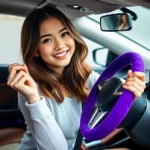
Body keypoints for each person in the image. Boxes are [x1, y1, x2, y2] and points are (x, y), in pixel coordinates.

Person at [7, 6, 146, 150]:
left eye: (64, 34)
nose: (60, 45)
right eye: (47, 40)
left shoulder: (81, 73)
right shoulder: (31, 88)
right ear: (35, 50)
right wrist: (34, 99)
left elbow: (109, 93)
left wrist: (131, 92)